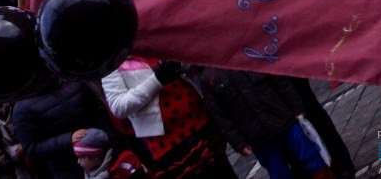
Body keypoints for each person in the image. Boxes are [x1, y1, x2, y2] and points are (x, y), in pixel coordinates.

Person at [100, 57, 235, 179]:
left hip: (199, 121)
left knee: (224, 171)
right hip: (170, 142)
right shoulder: (110, 64)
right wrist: (156, 81)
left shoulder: (148, 39)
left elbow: (186, 64)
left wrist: (179, 63)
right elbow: (118, 106)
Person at [198, 68, 332, 179]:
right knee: (279, 173)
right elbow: (220, 117)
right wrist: (239, 143)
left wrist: (296, 106)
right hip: (256, 137)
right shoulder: (209, 78)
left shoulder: (248, 51)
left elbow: (278, 80)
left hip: (282, 118)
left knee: (311, 157)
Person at [13, 79, 117, 179]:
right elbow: (33, 148)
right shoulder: (22, 108)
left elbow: (97, 111)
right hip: (67, 169)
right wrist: (69, 139)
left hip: (104, 156)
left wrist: (109, 138)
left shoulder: (71, 80)